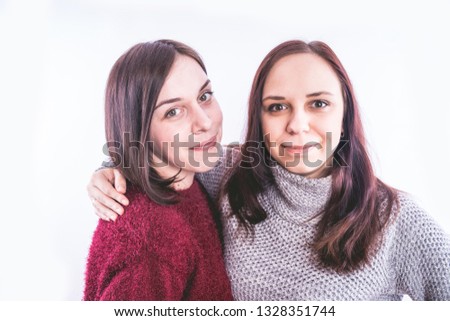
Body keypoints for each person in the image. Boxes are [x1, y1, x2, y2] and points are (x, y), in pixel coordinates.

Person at [87, 40, 450, 300]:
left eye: (319, 104)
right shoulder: (231, 174)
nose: (297, 125)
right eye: (277, 107)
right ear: (259, 117)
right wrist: (113, 170)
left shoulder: (398, 219)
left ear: (345, 114)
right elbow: (163, 157)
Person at [83, 39, 233, 301]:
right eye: (174, 111)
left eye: (204, 96)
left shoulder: (193, 179)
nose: (205, 122)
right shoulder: (151, 239)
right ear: (140, 128)